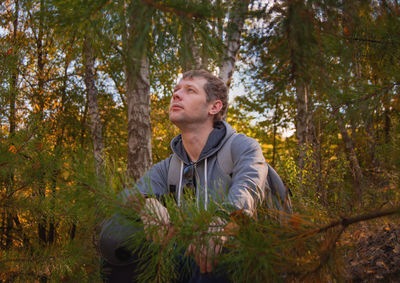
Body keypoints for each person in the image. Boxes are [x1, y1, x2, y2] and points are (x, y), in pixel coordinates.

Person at [100, 70, 268, 282]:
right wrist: (146, 203)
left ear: (214, 107)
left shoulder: (243, 146)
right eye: (176, 90)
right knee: (117, 231)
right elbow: (127, 197)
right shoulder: (168, 167)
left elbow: (249, 187)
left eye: (190, 90)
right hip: (182, 254)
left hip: (237, 258)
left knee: (217, 252)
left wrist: (223, 219)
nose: (177, 95)